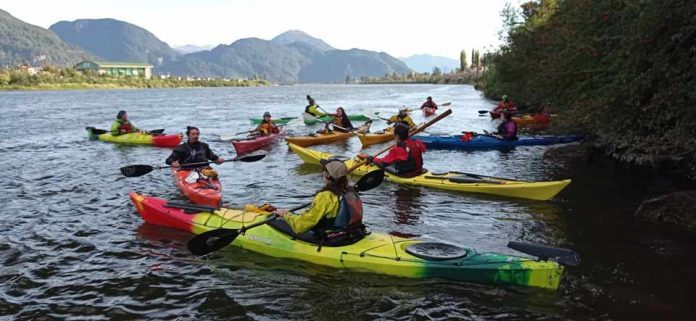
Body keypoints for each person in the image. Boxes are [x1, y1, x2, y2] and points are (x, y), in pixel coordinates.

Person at [273, 159, 365, 240]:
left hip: (331, 238)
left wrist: (284, 214)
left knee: (276, 222)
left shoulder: (325, 196)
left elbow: (301, 225)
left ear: (327, 175)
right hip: (352, 233)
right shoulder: (350, 190)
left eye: (324, 171)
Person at [358, 124, 426, 177]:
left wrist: (370, 158)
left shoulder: (397, 149)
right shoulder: (417, 142)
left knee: (381, 163)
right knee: (399, 160)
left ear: (397, 136)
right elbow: (423, 149)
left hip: (407, 173)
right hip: (418, 169)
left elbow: (383, 163)